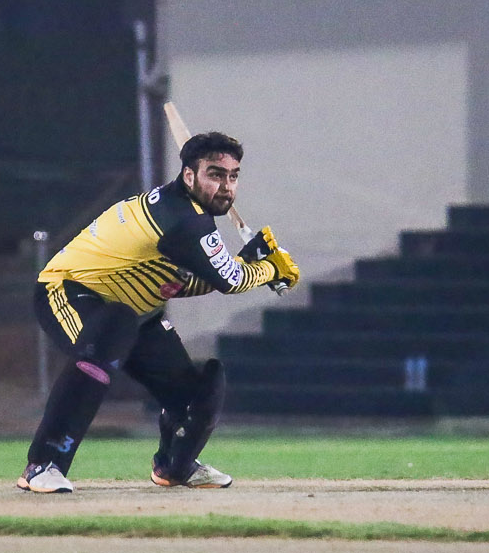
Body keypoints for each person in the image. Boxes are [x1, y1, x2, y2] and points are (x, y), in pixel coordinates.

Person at [18, 132, 301, 493]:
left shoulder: (184, 213)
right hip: (68, 290)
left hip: (133, 311)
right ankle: (43, 464)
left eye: (233, 176)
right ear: (188, 175)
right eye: (215, 175)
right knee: (107, 339)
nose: (226, 187)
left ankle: (175, 467)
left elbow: (182, 283)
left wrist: (247, 263)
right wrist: (271, 269)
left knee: (199, 389)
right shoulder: (184, 219)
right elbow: (229, 281)